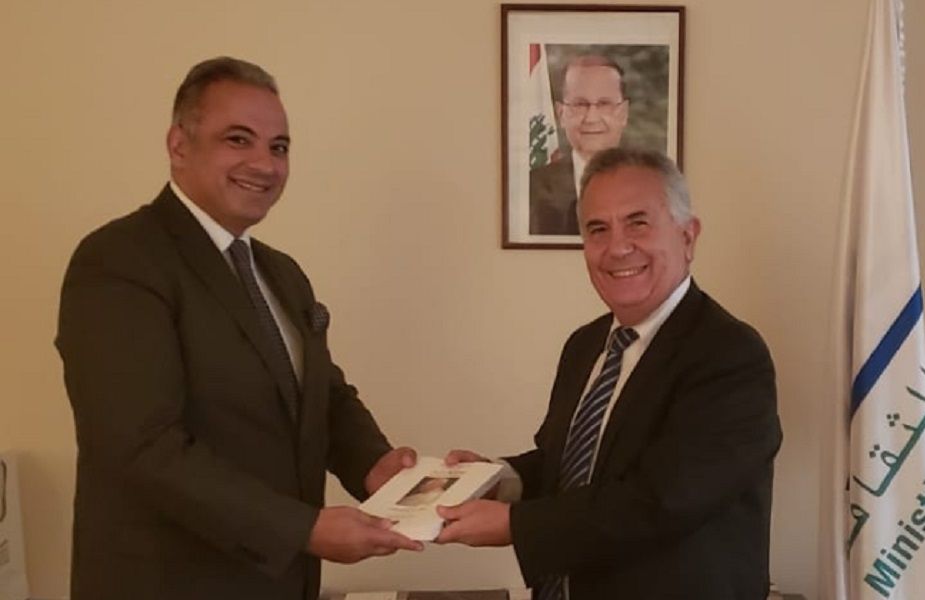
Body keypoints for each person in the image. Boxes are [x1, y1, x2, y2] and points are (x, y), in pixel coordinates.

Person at [55, 57, 422, 600]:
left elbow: (322, 396)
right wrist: (303, 529)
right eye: (238, 139)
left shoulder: (282, 273)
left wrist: (375, 466)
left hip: (280, 582)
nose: (264, 164)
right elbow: (142, 447)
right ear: (179, 145)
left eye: (279, 147)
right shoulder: (120, 260)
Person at [439, 148, 782, 599]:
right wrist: (499, 480)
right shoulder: (584, 346)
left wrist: (515, 525)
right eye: (598, 229)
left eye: (638, 223)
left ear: (687, 236)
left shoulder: (730, 355)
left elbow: (661, 500)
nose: (617, 247)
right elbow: (568, 467)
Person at [529, 55, 629, 236]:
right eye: (580, 104)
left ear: (623, 113)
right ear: (561, 114)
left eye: (604, 104)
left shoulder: (652, 186)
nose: (591, 118)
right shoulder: (531, 189)